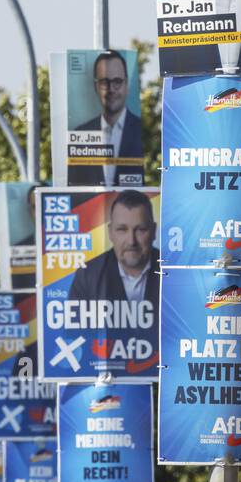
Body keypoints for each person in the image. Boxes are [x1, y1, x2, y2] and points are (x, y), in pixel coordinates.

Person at [65, 189, 159, 316]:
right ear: (110, 232)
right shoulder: (87, 276)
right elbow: (74, 334)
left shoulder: (174, 272)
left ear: (153, 231)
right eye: (122, 229)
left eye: (140, 230)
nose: (131, 241)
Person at [68, 51, 143, 186]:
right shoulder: (80, 134)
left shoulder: (143, 131)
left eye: (117, 82)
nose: (111, 89)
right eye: (104, 82)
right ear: (95, 86)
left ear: (127, 85)